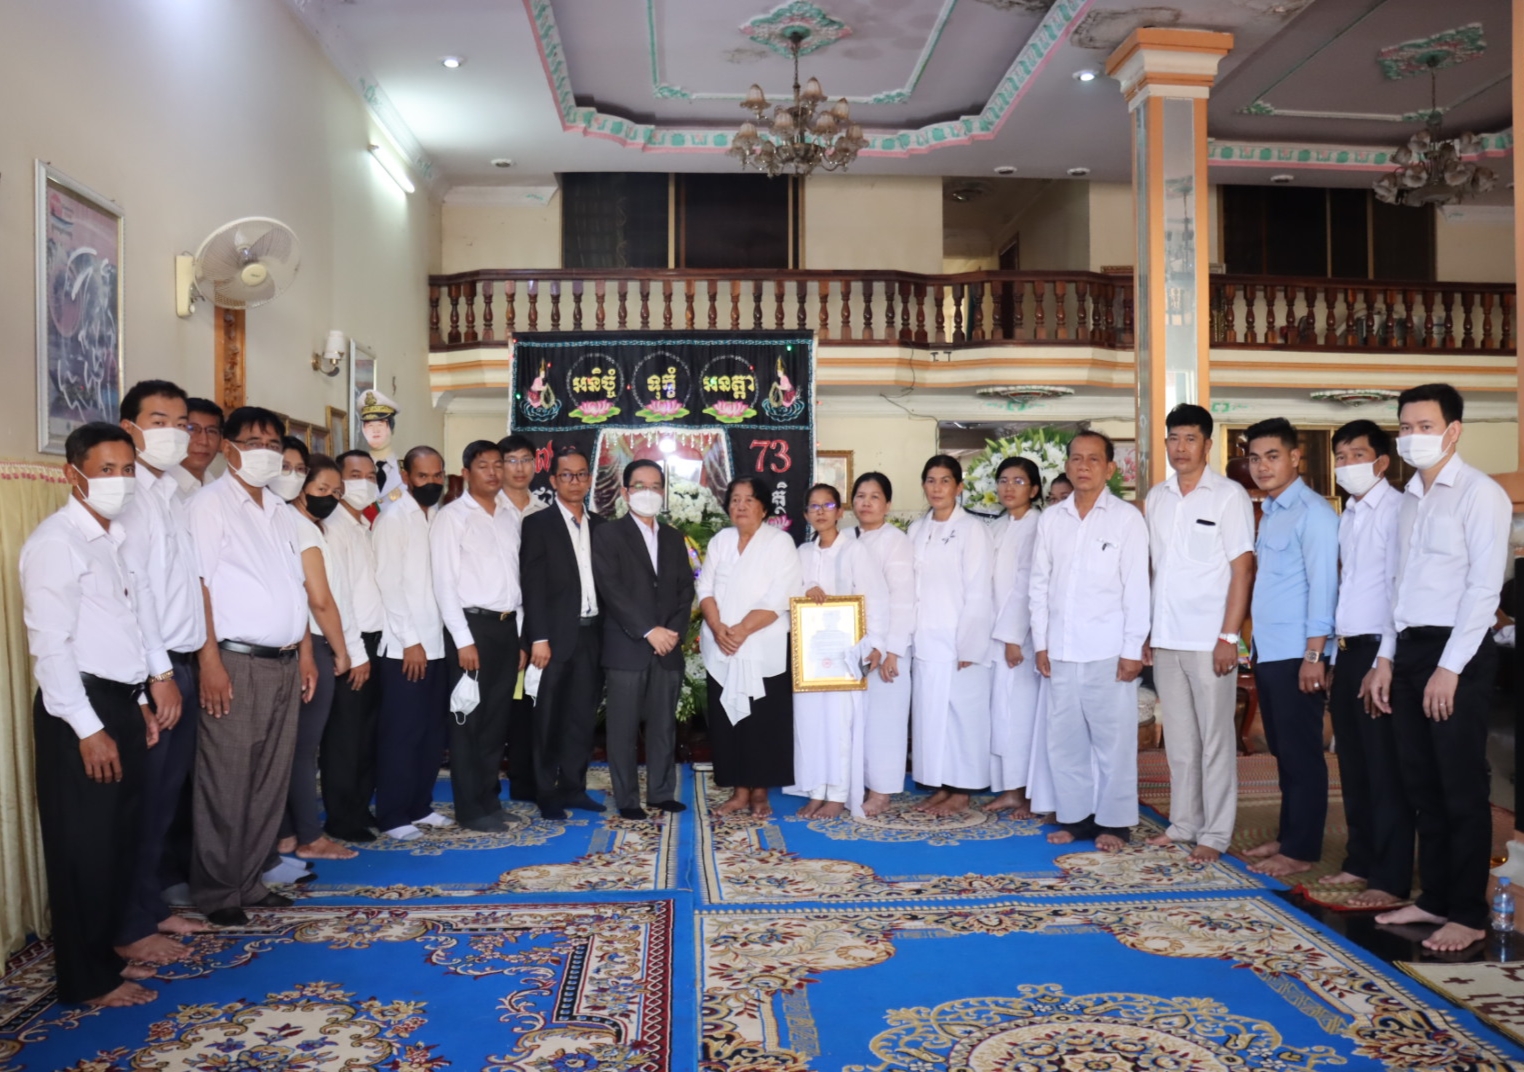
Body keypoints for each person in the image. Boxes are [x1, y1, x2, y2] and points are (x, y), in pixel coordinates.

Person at [23, 423, 164, 1007]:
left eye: (127, 470)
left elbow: (121, 629)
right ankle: (85, 981)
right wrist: (88, 729)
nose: (120, 481)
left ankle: (104, 956)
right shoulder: (56, 543)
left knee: (116, 841)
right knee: (84, 847)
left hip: (119, 700)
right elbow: (51, 646)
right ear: (73, 474)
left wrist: (140, 702)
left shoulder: (114, 538)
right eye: (107, 470)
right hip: (78, 711)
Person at [1370, 384, 1511, 952]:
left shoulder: (1481, 494)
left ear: (1453, 431)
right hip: (1408, 649)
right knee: (1420, 783)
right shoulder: (1408, 499)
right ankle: (1433, 898)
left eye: (1424, 426)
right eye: (1405, 427)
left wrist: (1449, 668)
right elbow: (1396, 586)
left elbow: (1483, 589)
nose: (1413, 437)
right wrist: (1385, 657)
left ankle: (1469, 913)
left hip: (1458, 652)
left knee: (1460, 786)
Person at [186, 407, 317, 926]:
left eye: (273, 443)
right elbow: (199, 586)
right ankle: (219, 890)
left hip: (284, 661)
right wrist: (209, 661)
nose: (266, 452)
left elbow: (295, 588)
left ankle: (250, 881)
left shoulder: (281, 510)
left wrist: (305, 653)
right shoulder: (209, 505)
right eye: (254, 442)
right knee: (227, 778)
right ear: (229, 448)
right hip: (234, 661)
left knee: (269, 778)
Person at [112, 381, 208, 970]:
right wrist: (158, 676)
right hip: (156, 669)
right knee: (142, 802)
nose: (174, 432)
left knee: (167, 798)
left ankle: (150, 906)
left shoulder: (172, 493)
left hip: (182, 662)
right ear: (130, 428)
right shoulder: (128, 498)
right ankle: (128, 925)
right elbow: (132, 595)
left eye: (181, 422)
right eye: (158, 420)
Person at [1142, 404, 1254, 862]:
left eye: (1190, 438)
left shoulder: (1229, 495)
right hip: (1166, 637)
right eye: (1174, 438)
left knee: (1215, 741)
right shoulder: (1157, 497)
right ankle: (1184, 823)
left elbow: (1243, 568)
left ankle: (1216, 833)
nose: (1180, 447)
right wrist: (1146, 630)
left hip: (1210, 640)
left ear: (1207, 444)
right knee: (1180, 741)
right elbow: (1153, 569)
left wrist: (1229, 637)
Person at [1031, 431, 1150, 851]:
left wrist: (1132, 650)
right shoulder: (1052, 519)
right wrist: (1041, 643)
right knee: (1065, 742)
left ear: (1110, 468)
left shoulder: (1125, 519)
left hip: (1109, 650)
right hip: (1061, 650)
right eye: (1077, 458)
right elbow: (1039, 585)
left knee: (1113, 742)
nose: (1084, 466)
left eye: (1093, 459)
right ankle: (1076, 819)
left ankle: (1115, 823)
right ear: (1066, 465)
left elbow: (1137, 588)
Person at [1316, 419, 1411, 908]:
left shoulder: (1397, 510)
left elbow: (1398, 590)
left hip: (1381, 651)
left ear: (1381, 462)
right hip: (1350, 650)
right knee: (1352, 764)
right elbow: (1349, 588)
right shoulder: (1349, 514)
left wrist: (1385, 659)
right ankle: (1360, 859)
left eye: (1357, 455)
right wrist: (1337, 655)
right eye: (1340, 457)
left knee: (1382, 766)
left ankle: (1389, 876)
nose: (1347, 464)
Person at [1240, 417, 1338, 879]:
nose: (1262, 466)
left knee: (1301, 752)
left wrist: (1314, 655)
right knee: (1284, 749)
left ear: (1296, 457)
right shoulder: (1273, 511)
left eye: (1272, 456)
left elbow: (1324, 587)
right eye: (1254, 458)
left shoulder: (1314, 513)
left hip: (1299, 653)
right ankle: (1289, 834)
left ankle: (1301, 849)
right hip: (1270, 649)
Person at [591, 460, 695, 820]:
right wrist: (649, 631)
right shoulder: (608, 535)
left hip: (667, 648)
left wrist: (672, 633)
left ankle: (661, 792)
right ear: (625, 492)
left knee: (663, 725)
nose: (647, 493)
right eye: (639, 486)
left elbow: (685, 589)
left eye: (654, 486)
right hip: (627, 646)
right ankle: (627, 799)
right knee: (622, 728)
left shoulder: (673, 537)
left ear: (663, 492)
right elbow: (611, 590)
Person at [431, 441, 524, 832]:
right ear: (466, 473)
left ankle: (489, 801)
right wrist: (462, 639)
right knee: (469, 721)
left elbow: (517, 580)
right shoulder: (452, 517)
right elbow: (443, 583)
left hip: (506, 628)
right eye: (483, 465)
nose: (493, 472)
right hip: (472, 630)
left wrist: (520, 635)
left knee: (496, 722)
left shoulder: (508, 514)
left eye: (498, 465)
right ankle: (470, 809)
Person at [698, 476, 803, 816]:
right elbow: (705, 588)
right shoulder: (721, 541)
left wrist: (742, 631)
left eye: (748, 500)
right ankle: (738, 791)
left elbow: (780, 596)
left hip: (762, 645)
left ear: (764, 507)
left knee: (763, 723)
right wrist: (718, 629)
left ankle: (760, 793)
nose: (740, 506)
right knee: (729, 723)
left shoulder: (780, 543)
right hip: (722, 646)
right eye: (734, 500)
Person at [278, 456, 361, 862]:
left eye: (336, 492)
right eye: (322, 489)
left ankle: (288, 833)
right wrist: (342, 650)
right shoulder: (299, 527)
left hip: (308, 640)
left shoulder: (310, 526)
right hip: (311, 641)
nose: (329, 497)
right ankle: (308, 836)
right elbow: (321, 600)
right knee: (302, 747)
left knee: (294, 746)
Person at [789, 483, 888, 818]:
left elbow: (876, 598)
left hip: (846, 654)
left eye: (827, 505)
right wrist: (807, 587)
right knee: (811, 723)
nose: (820, 512)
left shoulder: (855, 551)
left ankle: (838, 793)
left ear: (840, 512)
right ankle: (816, 790)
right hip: (811, 657)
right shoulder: (802, 553)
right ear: (806, 514)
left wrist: (876, 644)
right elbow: (790, 591)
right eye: (813, 506)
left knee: (840, 723)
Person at [521, 447, 607, 820]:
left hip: (592, 635)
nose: (575, 481)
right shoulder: (538, 524)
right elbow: (532, 585)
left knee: (581, 717)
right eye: (567, 475)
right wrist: (538, 638)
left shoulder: (601, 525)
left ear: (590, 479)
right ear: (554, 481)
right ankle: (546, 792)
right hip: (553, 640)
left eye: (582, 474)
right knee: (547, 719)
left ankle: (574, 787)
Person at [372, 446, 454, 841]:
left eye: (438, 475)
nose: (432, 483)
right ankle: (392, 814)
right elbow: (388, 583)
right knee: (401, 734)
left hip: (437, 644)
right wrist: (410, 641)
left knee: (431, 733)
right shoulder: (393, 519)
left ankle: (420, 805)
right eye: (423, 476)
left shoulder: (436, 516)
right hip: (406, 648)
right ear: (406, 477)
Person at [908, 455, 995, 818]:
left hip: (962, 640)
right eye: (931, 480)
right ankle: (941, 784)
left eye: (945, 481)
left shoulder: (973, 529)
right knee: (931, 717)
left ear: (959, 487)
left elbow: (979, 590)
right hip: (925, 639)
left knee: (963, 717)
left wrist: (970, 643)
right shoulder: (916, 529)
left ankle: (962, 790)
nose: (937, 488)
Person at [319, 451, 386, 841]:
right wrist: (354, 653)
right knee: (345, 737)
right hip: (350, 645)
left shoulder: (364, 525)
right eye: (355, 475)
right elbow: (337, 598)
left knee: (367, 735)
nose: (364, 482)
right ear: (339, 483)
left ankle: (359, 807)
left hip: (374, 643)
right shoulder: (333, 527)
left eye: (371, 476)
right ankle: (341, 816)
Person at [849, 473, 916, 817]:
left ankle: (882, 790)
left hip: (887, 647)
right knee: (856, 720)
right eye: (861, 496)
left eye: (875, 497)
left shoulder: (895, 541)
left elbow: (902, 598)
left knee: (884, 721)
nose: (866, 503)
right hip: (852, 645)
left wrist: (892, 651)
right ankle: (858, 782)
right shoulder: (845, 538)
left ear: (887, 504)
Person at [987, 456, 1043, 817]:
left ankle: (1025, 790)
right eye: (1004, 480)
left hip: (1020, 640)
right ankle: (1008, 788)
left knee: (1020, 715)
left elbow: (1026, 586)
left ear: (1034, 489)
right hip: (993, 635)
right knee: (1001, 714)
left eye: (1019, 482)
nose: (1009, 488)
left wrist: (1012, 636)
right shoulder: (997, 527)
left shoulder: (1038, 526)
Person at [496, 432, 548, 802]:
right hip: (498, 622)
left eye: (526, 460)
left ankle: (526, 780)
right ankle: (487, 787)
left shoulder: (544, 511)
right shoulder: (489, 508)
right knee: (496, 709)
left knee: (529, 706)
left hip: (537, 622)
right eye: (511, 460)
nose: (519, 468)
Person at [359, 391, 405, 510]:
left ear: (392, 428)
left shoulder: (406, 470)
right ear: (363, 430)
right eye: (370, 426)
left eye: (380, 425)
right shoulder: (355, 470)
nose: (375, 430)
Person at [173, 397, 223, 500]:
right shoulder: (164, 489)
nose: (204, 441)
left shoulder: (218, 488)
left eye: (211, 431)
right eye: (192, 429)